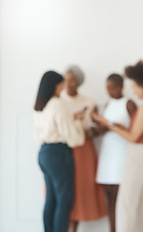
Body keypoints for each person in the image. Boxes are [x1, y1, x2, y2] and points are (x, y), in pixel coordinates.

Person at [92, 60, 143, 232]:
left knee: (125, 204)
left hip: (138, 156)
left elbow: (132, 136)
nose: (132, 90)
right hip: (142, 155)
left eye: (135, 86)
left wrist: (107, 123)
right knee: (138, 203)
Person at [33, 71, 85, 232]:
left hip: (44, 153)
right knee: (64, 200)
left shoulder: (40, 104)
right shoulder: (57, 103)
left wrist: (70, 119)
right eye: (62, 84)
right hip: (58, 153)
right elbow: (74, 138)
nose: (64, 87)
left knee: (51, 199)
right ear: (55, 85)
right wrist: (76, 123)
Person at [60, 65, 107, 232]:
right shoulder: (58, 101)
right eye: (65, 78)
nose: (68, 83)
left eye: (72, 79)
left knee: (80, 191)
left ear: (79, 82)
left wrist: (90, 132)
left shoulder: (89, 102)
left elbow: (99, 126)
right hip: (64, 149)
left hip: (84, 150)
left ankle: (73, 228)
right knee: (63, 190)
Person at [95, 73, 137, 232]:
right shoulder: (108, 104)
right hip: (107, 156)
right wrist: (97, 123)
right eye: (107, 88)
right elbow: (103, 128)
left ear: (121, 87)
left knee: (122, 201)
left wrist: (112, 125)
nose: (110, 91)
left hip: (122, 156)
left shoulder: (129, 103)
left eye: (112, 88)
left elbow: (137, 131)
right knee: (110, 201)